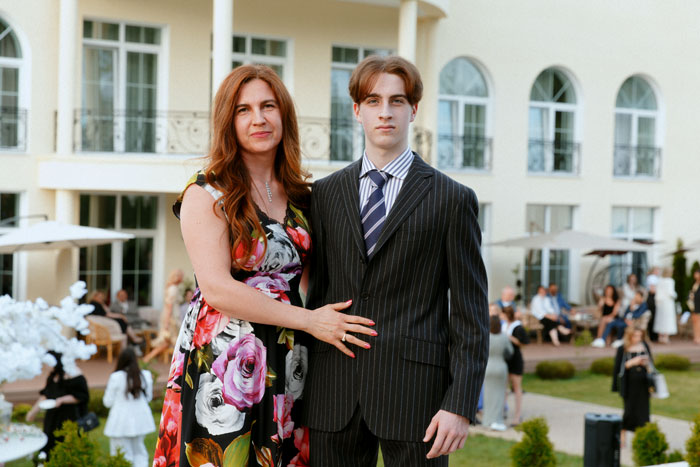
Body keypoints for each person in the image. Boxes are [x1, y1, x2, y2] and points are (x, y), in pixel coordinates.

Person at [152, 65, 375, 467]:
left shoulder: (303, 196)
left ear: (283, 114)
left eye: (268, 106)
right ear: (228, 121)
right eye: (244, 109)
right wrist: (310, 321)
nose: (258, 118)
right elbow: (218, 289)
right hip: (224, 361)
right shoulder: (207, 193)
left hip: (289, 356)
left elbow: (322, 279)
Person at [304, 55, 488, 466]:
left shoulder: (452, 199)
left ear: (413, 109)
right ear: (357, 110)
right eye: (373, 101)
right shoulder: (325, 195)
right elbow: (317, 293)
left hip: (416, 397)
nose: (385, 112)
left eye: (397, 101)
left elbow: (470, 314)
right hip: (333, 390)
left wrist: (460, 404)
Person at [26, 352, 89, 459]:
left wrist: (62, 400)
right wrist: (33, 412)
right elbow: (45, 395)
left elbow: (82, 396)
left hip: (68, 418)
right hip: (52, 419)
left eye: (48, 363)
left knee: (66, 445)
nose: (46, 366)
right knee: (50, 445)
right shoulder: (53, 375)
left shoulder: (73, 373)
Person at [103, 348, 156, 467]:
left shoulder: (116, 377)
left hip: (120, 421)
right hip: (140, 418)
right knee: (139, 452)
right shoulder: (145, 375)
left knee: (121, 453)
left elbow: (107, 402)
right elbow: (148, 398)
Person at [612, 326, 654, 446]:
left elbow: (652, 365)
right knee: (629, 411)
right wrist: (631, 363)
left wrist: (646, 364)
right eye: (635, 336)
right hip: (629, 386)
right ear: (629, 336)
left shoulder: (644, 346)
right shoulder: (623, 348)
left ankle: (641, 439)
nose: (638, 338)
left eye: (640, 336)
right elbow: (618, 368)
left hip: (643, 385)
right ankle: (622, 435)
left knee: (643, 413)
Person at [142, 269, 183, 363]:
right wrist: (167, 323)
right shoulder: (173, 289)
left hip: (171, 317)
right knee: (176, 341)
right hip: (172, 318)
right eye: (181, 276)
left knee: (166, 342)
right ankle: (182, 363)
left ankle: (147, 358)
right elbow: (169, 306)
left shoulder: (172, 288)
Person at [482, 315, 513, 432]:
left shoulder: (486, 336)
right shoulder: (504, 337)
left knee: (488, 395)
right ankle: (497, 420)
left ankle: (487, 420)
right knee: (499, 395)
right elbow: (510, 352)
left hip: (488, 367)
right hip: (500, 366)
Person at [502, 306, 528, 427]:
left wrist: (510, 337)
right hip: (504, 359)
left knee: (517, 388)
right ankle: (502, 411)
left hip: (515, 360)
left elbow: (523, 343)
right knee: (503, 387)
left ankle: (517, 415)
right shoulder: (503, 326)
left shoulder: (518, 327)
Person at [654, 268, 677, 344]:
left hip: (660, 303)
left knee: (660, 319)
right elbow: (671, 293)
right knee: (667, 319)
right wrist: (675, 295)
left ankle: (660, 337)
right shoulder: (670, 281)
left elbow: (657, 292)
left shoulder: (659, 280)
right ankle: (666, 337)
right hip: (667, 303)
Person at [689, 269, 700, 345]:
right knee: (695, 321)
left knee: (698, 321)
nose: (695, 275)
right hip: (694, 304)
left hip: (698, 304)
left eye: (697, 274)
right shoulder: (695, 283)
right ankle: (696, 337)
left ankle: (698, 337)